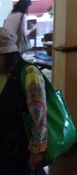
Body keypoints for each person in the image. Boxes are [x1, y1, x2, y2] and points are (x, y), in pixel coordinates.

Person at [0, 27, 47, 173]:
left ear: (3, 56)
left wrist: (36, 150)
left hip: (20, 146)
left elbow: (39, 116)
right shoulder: (3, 73)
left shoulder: (29, 73)